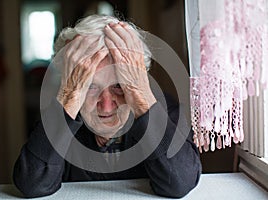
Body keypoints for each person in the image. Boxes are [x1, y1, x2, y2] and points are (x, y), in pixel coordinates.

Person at [13, 14, 202, 198]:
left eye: (119, 86)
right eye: (89, 86)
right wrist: (70, 97)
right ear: (71, 82)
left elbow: (180, 182)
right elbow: (32, 184)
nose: (106, 106)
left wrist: (141, 98)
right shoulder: (62, 113)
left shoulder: (167, 112)